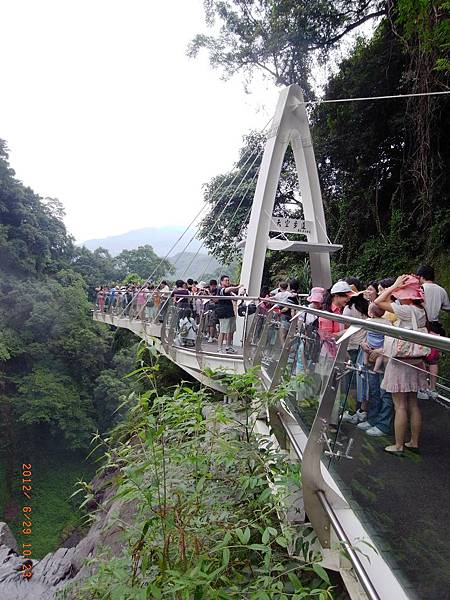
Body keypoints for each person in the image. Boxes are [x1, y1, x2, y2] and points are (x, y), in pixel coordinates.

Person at [375, 274, 429, 454]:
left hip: (401, 361)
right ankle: (414, 441)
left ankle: (398, 445)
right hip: (416, 361)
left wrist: (393, 287)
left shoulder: (407, 310)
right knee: (413, 403)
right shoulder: (421, 309)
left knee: (400, 405)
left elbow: (378, 301)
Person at [416, 265, 450, 399]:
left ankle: (423, 387)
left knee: (422, 357)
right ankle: (433, 388)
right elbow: (447, 307)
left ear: (421, 277)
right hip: (435, 327)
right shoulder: (441, 290)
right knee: (434, 360)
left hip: (422, 325)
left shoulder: (420, 289)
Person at [216, 275, 242, 354]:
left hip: (230, 312)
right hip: (223, 313)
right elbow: (227, 290)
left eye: (228, 280)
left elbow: (235, 298)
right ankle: (219, 348)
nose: (227, 282)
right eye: (226, 280)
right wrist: (238, 287)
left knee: (231, 330)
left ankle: (228, 346)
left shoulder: (229, 292)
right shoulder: (220, 289)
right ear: (221, 281)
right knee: (223, 331)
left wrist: (241, 294)